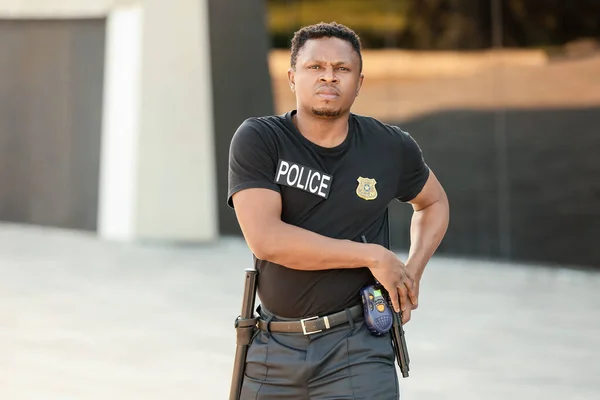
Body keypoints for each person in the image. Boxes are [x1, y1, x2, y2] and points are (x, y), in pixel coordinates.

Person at [227, 22, 449, 400]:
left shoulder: (389, 146)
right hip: (271, 350)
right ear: (292, 76)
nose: (328, 77)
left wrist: (412, 273)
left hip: (357, 347)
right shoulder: (261, 139)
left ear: (359, 82)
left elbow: (433, 202)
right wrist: (371, 255)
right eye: (315, 67)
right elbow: (267, 239)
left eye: (342, 69)